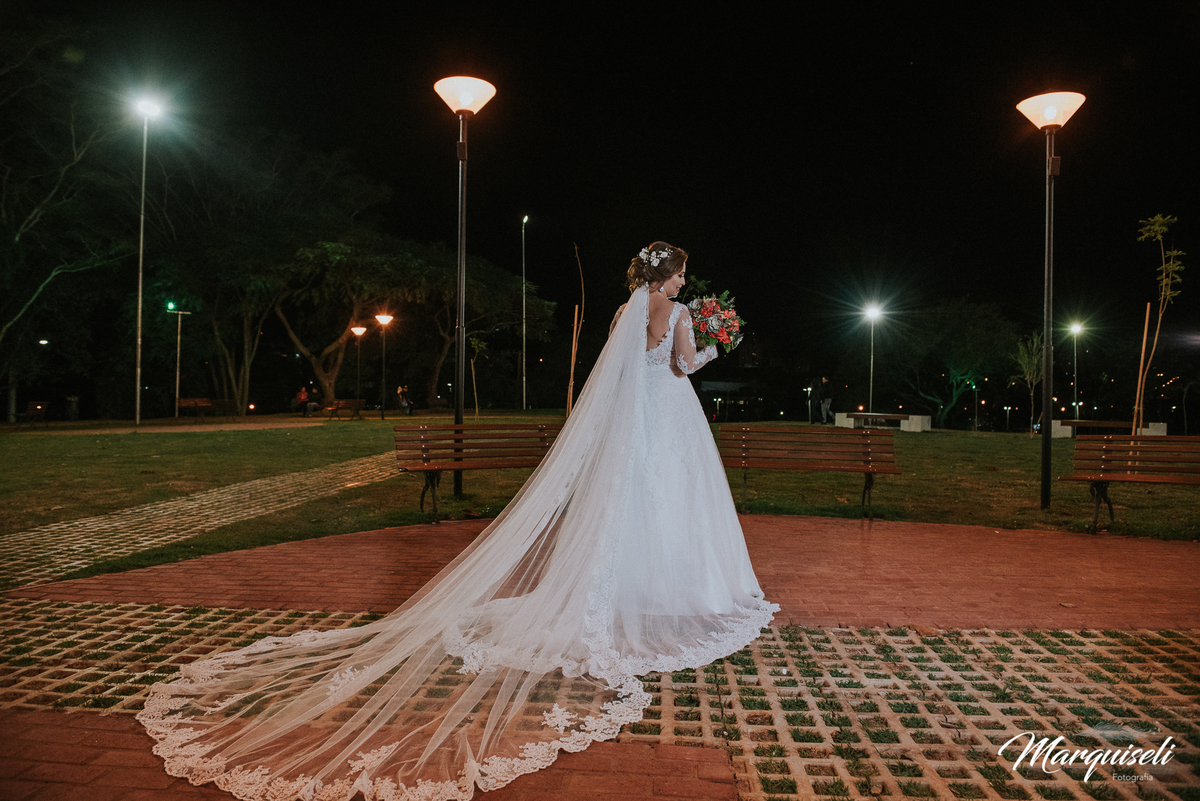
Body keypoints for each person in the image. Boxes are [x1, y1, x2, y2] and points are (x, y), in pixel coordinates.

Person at [138, 241, 777, 801]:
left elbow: (621, 369)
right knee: (672, 500)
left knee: (628, 503)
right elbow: (681, 365)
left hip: (632, 428)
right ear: (667, 274)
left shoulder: (623, 312)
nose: (684, 282)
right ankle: (671, 589)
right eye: (681, 273)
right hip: (669, 418)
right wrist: (717, 345)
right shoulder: (678, 313)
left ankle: (623, 588)